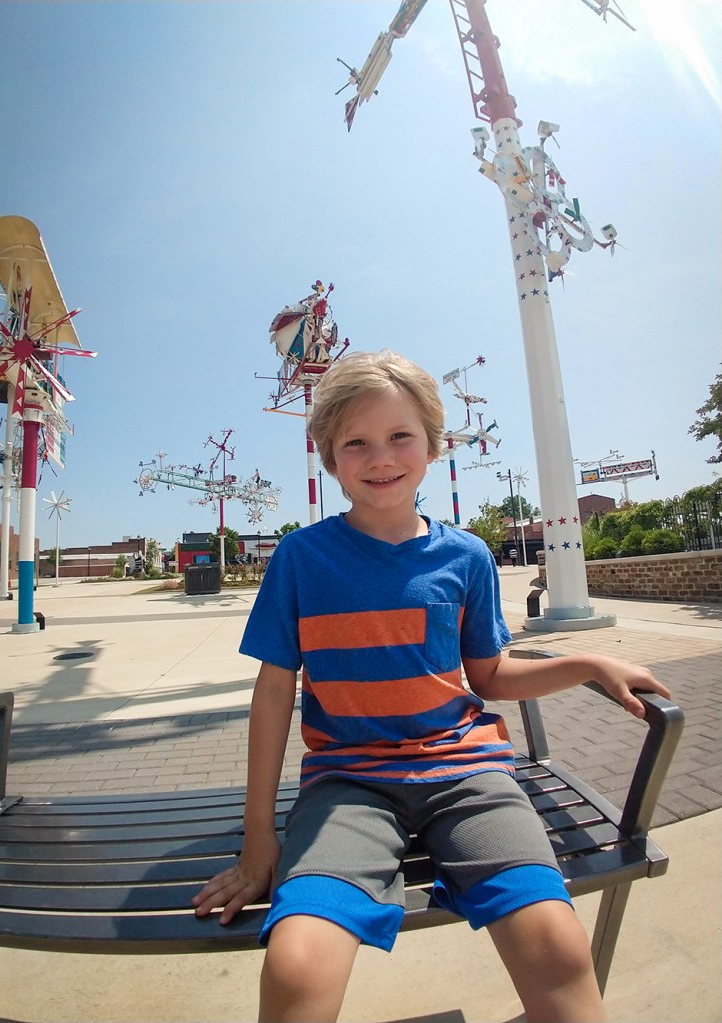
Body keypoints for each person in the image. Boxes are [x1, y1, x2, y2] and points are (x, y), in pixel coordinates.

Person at [192, 350, 670, 1023]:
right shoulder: (301, 559)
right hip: (347, 783)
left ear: (433, 444)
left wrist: (589, 664)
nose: (380, 457)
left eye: (399, 435)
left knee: (559, 949)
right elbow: (273, 694)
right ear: (329, 457)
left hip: (467, 774)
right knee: (297, 965)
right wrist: (258, 837)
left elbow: (490, 676)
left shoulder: (466, 556)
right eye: (356, 442)